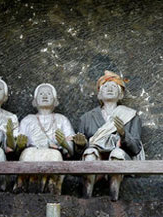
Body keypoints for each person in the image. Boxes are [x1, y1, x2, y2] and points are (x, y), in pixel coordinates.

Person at [74, 71, 144, 201]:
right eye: (106, 86)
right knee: (89, 152)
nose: (110, 89)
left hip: (121, 158)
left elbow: (136, 148)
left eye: (114, 87)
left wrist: (123, 134)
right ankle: (87, 196)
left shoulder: (131, 116)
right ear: (99, 94)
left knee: (117, 153)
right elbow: (77, 154)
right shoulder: (87, 118)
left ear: (120, 94)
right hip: (96, 158)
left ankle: (114, 197)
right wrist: (80, 145)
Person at [14, 83, 75, 194]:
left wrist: (64, 144)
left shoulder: (62, 119)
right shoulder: (27, 120)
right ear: (35, 101)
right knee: (28, 153)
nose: (45, 96)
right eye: (41, 94)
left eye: (48, 94)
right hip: (31, 152)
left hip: (54, 153)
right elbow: (17, 149)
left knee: (54, 155)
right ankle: (24, 187)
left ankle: (52, 187)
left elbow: (71, 151)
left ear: (55, 101)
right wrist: (20, 145)